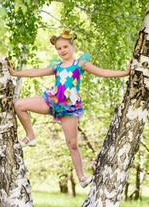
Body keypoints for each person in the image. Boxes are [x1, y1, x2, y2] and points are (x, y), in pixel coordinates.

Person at [8, 28, 130, 188]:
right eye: (59, 48)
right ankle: (30, 136)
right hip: (51, 100)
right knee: (19, 105)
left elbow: (103, 72)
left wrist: (125, 73)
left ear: (72, 46)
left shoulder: (81, 63)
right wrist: (15, 73)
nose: (62, 50)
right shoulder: (57, 66)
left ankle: (82, 177)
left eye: (65, 47)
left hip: (68, 105)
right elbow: (37, 72)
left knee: (72, 143)